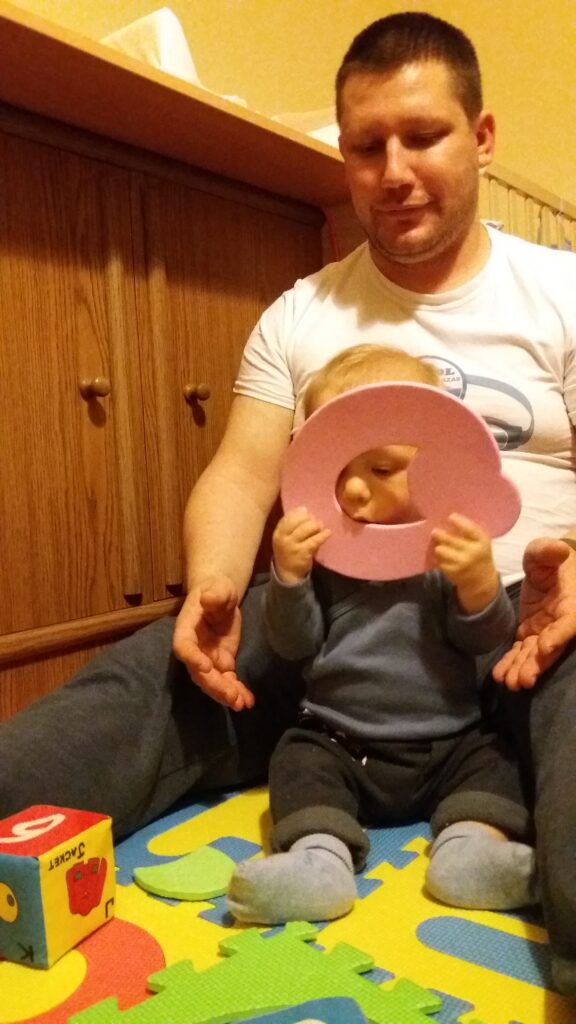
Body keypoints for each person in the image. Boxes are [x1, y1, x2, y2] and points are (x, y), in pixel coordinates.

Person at [1, 9, 575, 996]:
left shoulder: (560, 290)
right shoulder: (301, 312)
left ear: (481, 137)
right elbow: (240, 472)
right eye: (366, 146)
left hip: (530, 621)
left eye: (424, 136)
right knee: (130, 695)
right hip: (332, 625)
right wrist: (216, 589)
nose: (394, 171)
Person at [227, 344, 536, 925]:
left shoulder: (443, 547)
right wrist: (289, 578)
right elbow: (293, 646)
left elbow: (485, 642)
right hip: (339, 739)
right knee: (296, 760)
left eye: (383, 469)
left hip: (451, 742)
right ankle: (319, 861)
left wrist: (477, 583)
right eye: (338, 469)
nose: (354, 490)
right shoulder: (325, 554)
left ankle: (470, 851)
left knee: (499, 757)